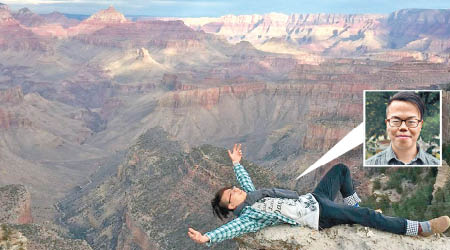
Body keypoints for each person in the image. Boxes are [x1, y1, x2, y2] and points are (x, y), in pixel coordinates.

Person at [187, 144, 450, 246]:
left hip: (313, 199)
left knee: (341, 170)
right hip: (318, 216)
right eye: (232, 193)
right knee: (366, 217)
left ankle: (357, 208)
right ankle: (419, 228)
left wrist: (236, 163)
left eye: (233, 187)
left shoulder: (253, 196)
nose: (236, 189)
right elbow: (229, 230)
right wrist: (207, 238)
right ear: (232, 206)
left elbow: (244, 181)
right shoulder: (248, 217)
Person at [365, 91, 440, 166]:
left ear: (420, 125)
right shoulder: (370, 164)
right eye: (396, 121)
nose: (403, 127)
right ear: (387, 124)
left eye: (411, 121)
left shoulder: (438, 166)